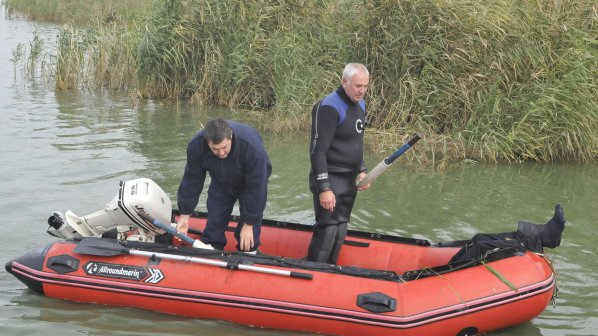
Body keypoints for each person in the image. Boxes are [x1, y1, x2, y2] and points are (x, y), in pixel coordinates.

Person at [307, 63, 372, 264]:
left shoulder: (360, 104)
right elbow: (318, 152)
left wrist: (362, 170)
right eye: (357, 85)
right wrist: (324, 188)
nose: (362, 91)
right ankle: (313, 272)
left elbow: (355, 143)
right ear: (344, 82)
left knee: (341, 228)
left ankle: (329, 273)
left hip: (350, 178)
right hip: (331, 176)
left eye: (365, 86)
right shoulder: (329, 107)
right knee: (328, 228)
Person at [176, 118, 272, 253]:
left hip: (250, 183)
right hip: (220, 180)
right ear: (207, 142)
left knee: (249, 232)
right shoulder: (196, 146)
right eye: (215, 149)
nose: (221, 153)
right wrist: (185, 215)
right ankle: (212, 249)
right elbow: (192, 179)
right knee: (215, 219)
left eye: (224, 147)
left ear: (230, 136)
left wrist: (249, 224)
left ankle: (248, 252)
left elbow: (258, 188)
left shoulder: (251, 147)